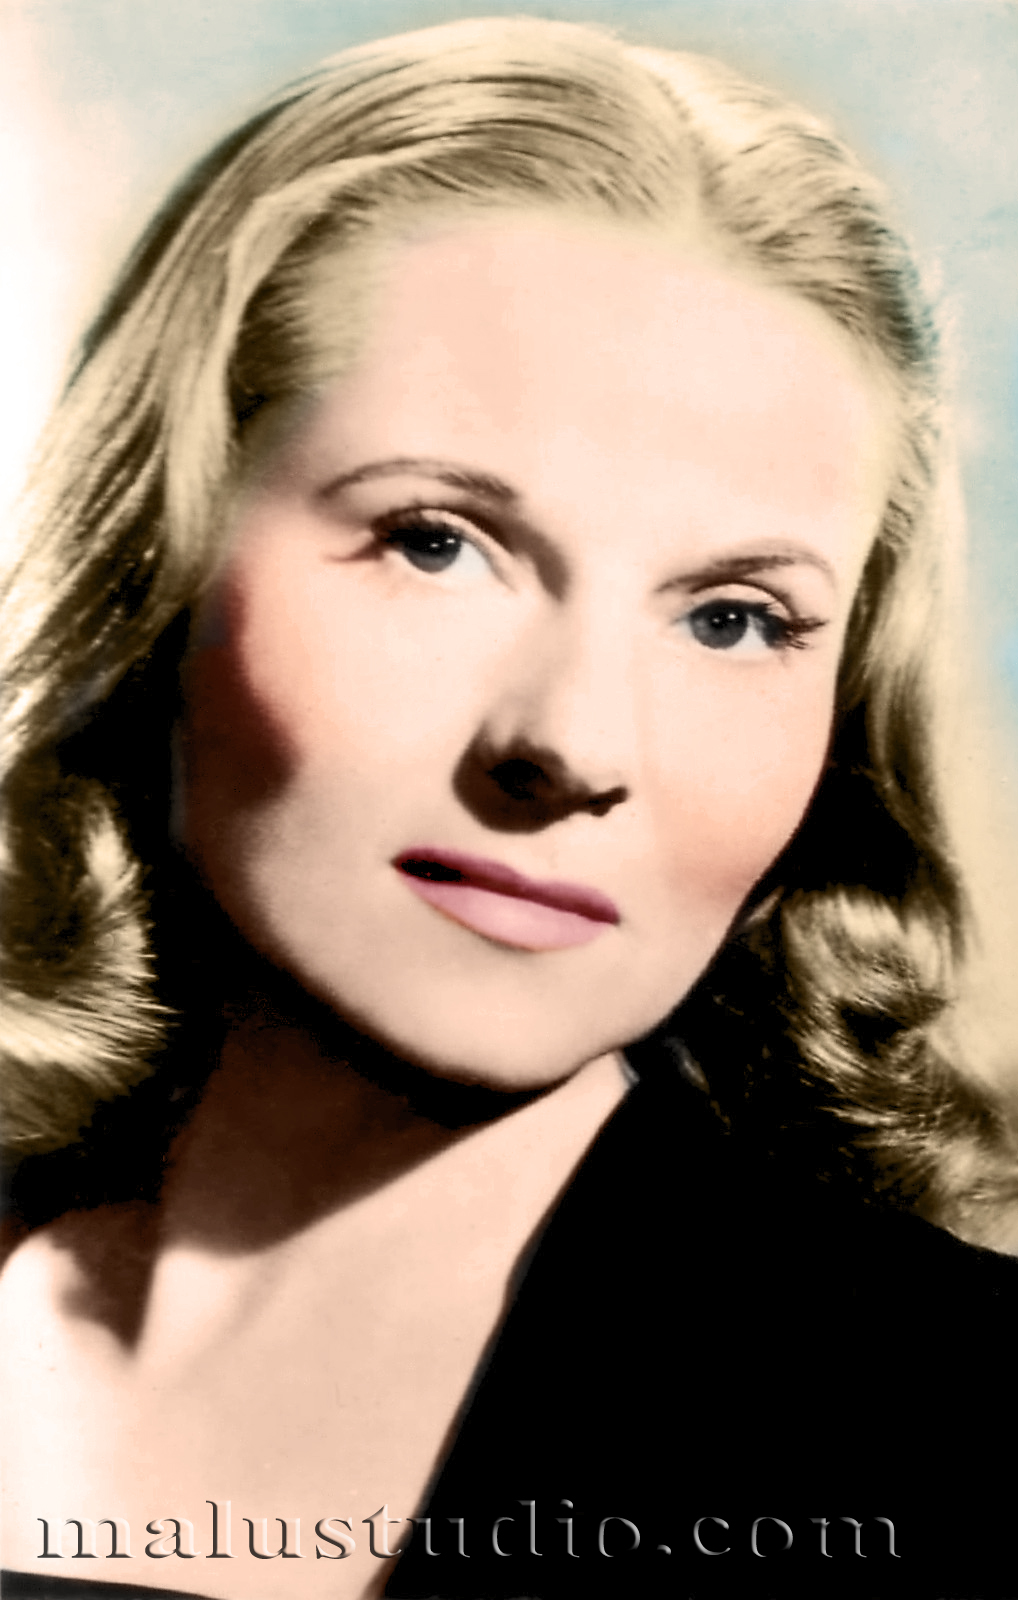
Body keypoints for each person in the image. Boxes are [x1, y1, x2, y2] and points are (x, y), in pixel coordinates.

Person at [1, 15, 1017, 1600]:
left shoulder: (969, 1444)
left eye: (733, 618)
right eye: (434, 541)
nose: (570, 742)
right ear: (162, 553)